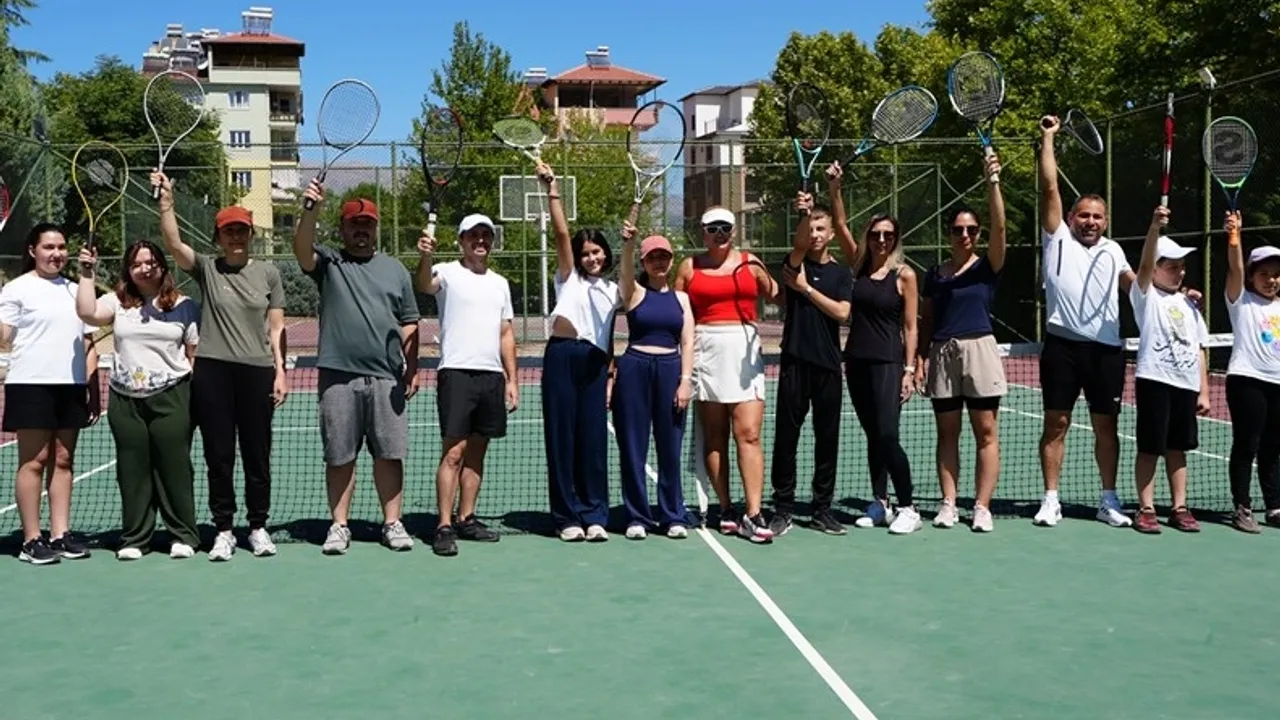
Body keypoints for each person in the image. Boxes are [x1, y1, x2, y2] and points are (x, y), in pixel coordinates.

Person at [152, 171, 287, 562]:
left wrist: (280, 371)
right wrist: (166, 202)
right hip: (212, 372)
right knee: (219, 455)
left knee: (257, 456)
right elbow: (173, 244)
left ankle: (258, 528)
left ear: (251, 234)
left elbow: (276, 326)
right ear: (218, 237)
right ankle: (224, 530)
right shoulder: (208, 269)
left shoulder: (269, 273)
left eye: (241, 230)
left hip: (257, 371)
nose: (236, 237)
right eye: (229, 231)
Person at [294, 183, 420, 555]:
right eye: (354, 224)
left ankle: (392, 523)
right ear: (343, 228)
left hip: (386, 378)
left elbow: (410, 321)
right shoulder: (330, 264)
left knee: (389, 455)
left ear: (376, 228)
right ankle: (339, 526)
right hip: (338, 376)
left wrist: (411, 367)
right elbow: (301, 249)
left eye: (367, 224)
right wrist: (310, 210)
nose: (361, 230)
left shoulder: (395, 270)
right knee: (340, 456)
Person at [1034, 115, 1136, 528]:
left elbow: (1136, 286)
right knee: (1056, 424)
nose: (1090, 221)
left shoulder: (1114, 251)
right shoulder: (1057, 238)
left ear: (1105, 221)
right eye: (1084, 215)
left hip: (1106, 351)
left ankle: (1108, 500)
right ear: (1071, 217)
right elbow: (1049, 187)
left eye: (1097, 216)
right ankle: (1051, 499)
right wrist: (1048, 138)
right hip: (1062, 348)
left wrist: (1176, 295)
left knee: (1105, 426)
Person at [75, 241, 202, 559]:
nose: (145, 269)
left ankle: (183, 536)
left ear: (162, 265)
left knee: (174, 467)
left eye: (151, 262)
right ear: (128, 270)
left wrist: (197, 400)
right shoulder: (116, 303)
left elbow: (194, 355)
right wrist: (87, 273)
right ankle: (135, 538)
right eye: (136, 264)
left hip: (173, 395)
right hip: (125, 400)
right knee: (132, 470)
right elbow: (87, 313)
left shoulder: (185, 306)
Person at [674, 206, 780, 543]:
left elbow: (776, 293)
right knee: (715, 436)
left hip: (744, 349)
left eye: (725, 228)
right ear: (703, 233)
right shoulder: (689, 267)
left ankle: (754, 512)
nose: (719, 234)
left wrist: (773, 276)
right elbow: (677, 312)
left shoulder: (751, 263)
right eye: (712, 228)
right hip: (705, 349)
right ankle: (726, 508)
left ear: (733, 231)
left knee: (748, 433)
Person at [915, 153, 1007, 533]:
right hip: (943, 353)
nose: (964, 235)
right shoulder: (935, 274)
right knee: (947, 433)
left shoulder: (987, 267)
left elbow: (1001, 228)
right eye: (957, 229)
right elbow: (926, 320)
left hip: (980, 350)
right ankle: (949, 504)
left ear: (978, 234)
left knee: (985, 432)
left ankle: (982, 507)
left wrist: (993, 182)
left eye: (971, 229)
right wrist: (920, 359)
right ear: (949, 234)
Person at [415, 213, 516, 557]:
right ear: (461, 241)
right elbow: (424, 285)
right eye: (473, 235)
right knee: (454, 453)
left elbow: (506, 333)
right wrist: (425, 255)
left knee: (477, 453)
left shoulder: (500, 283)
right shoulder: (445, 272)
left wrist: (512, 379)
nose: (480, 240)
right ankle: (443, 525)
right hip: (456, 373)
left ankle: (466, 518)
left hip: (491, 376)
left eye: (486, 235)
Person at [0, 224, 100, 565]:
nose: (56, 253)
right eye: (48, 247)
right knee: (35, 460)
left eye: (61, 247)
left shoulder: (77, 289)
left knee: (63, 460)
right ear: (33, 251)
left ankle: (60, 534)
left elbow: (88, 342)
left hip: (70, 386)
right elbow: (4, 337)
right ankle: (31, 539)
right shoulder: (16, 289)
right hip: (30, 385)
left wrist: (92, 389)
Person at [534, 163, 621, 542]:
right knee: (562, 440)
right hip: (562, 359)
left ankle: (595, 514)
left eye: (597, 251)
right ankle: (567, 518)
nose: (591, 258)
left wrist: (611, 373)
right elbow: (561, 233)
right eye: (585, 253)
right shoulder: (568, 278)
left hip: (595, 365)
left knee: (593, 442)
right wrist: (551, 189)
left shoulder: (614, 291)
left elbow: (607, 335)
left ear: (606, 253)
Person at [834, 181, 920, 535]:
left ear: (895, 239)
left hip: (888, 362)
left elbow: (911, 327)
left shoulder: (905, 275)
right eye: (875, 234)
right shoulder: (858, 268)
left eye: (887, 235)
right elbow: (840, 224)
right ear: (867, 238)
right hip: (856, 362)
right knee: (873, 435)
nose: (881, 240)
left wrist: (909, 369)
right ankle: (880, 503)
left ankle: (908, 508)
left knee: (887, 434)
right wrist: (835, 188)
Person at [770, 180, 853, 537]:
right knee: (786, 439)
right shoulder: (794, 263)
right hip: (794, 364)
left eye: (822, 229)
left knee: (827, 440)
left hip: (828, 367)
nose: (815, 235)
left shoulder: (841, 274)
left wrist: (806, 289)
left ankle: (822, 509)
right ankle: (783, 508)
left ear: (832, 233)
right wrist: (803, 214)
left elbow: (843, 313)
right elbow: (800, 244)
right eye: (812, 228)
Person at [1128, 206, 1210, 533]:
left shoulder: (1190, 305)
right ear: (1157, 269)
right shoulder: (1145, 296)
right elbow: (1144, 265)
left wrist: (1203, 391)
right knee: (1150, 448)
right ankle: (1146, 508)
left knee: (1179, 450)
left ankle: (1179, 507)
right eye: (1172, 266)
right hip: (1154, 381)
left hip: (1186, 386)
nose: (1180, 272)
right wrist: (1153, 228)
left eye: (1182, 267)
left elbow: (1199, 348)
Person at [612, 215, 694, 540]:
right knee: (633, 446)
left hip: (671, 370)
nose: (659, 262)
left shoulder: (682, 299)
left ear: (671, 260)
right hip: (635, 369)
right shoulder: (633, 292)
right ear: (644, 262)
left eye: (664, 256)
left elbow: (688, 341)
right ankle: (637, 516)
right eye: (652, 257)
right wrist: (628, 245)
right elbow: (624, 273)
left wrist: (685, 380)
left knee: (670, 447)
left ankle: (672, 515)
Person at [1222, 212, 1280, 533]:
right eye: (1264, 274)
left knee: (1273, 447)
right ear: (1252, 277)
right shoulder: (1240, 301)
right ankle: (1242, 507)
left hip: (1277, 383)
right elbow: (1235, 268)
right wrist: (1235, 236)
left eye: (1276, 275)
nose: (1271, 280)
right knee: (1247, 444)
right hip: (1247, 380)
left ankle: (1274, 506)